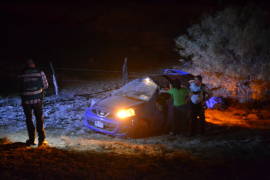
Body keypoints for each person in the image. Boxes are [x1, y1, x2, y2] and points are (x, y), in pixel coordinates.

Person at [19, 59, 49, 146]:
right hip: (37, 100)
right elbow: (46, 85)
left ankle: (31, 140)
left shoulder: (22, 73)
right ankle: (41, 140)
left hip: (26, 100)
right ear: (34, 64)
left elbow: (19, 86)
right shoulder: (40, 72)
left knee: (29, 119)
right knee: (39, 119)